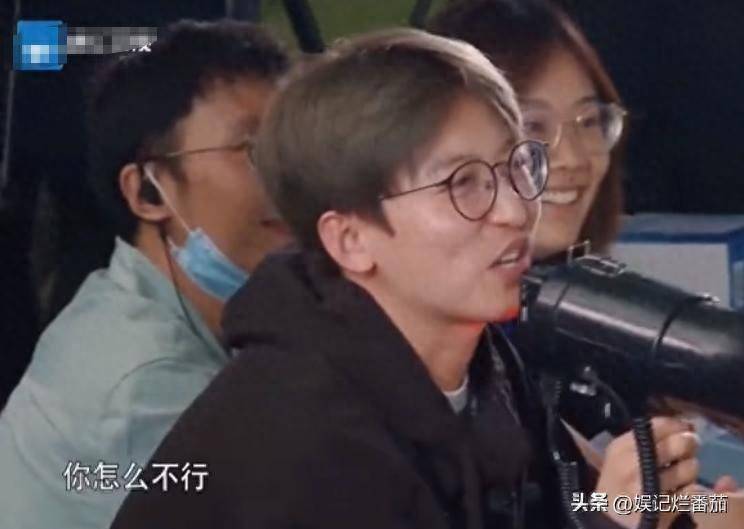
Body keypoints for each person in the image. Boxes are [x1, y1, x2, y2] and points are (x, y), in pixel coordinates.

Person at [111, 28, 699, 529]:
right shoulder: (302, 443)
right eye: (461, 184)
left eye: (516, 165)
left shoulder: (483, 359)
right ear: (350, 239)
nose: (516, 211)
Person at [429, 0, 744, 523]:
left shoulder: (546, 323)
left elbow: (598, 499)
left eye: (590, 120)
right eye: (533, 125)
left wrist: (714, 509)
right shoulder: (440, 354)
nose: (575, 157)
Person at [0, 19, 290, 529]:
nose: (292, 176)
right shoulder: (146, 389)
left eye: (295, 146)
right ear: (148, 192)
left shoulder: (125, 301)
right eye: (252, 149)